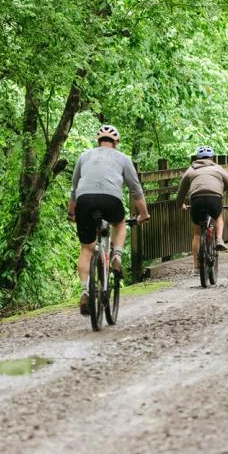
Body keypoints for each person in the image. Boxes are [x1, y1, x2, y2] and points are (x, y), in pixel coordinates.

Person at [68, 124, 151, 317]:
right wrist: (144, 214)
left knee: (86, 248)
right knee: (119, 223)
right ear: (116, 143)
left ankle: (85, 291)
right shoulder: (122, 158)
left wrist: (72, 213)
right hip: (111, 200)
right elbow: (135, 189)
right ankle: (117, 256)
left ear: (98, 141)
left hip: (85, 200)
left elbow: (74, 188)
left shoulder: (84, 156)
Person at [177, 147, 228, 270]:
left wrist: (180, 204)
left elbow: (181, 190)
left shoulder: (190, 170)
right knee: (218, 216)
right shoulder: (218, 169)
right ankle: (219, 239)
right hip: (214, 199)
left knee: (197, 233)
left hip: (196, 200)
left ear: (197, 158)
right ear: (212, 158)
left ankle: (197, 267)